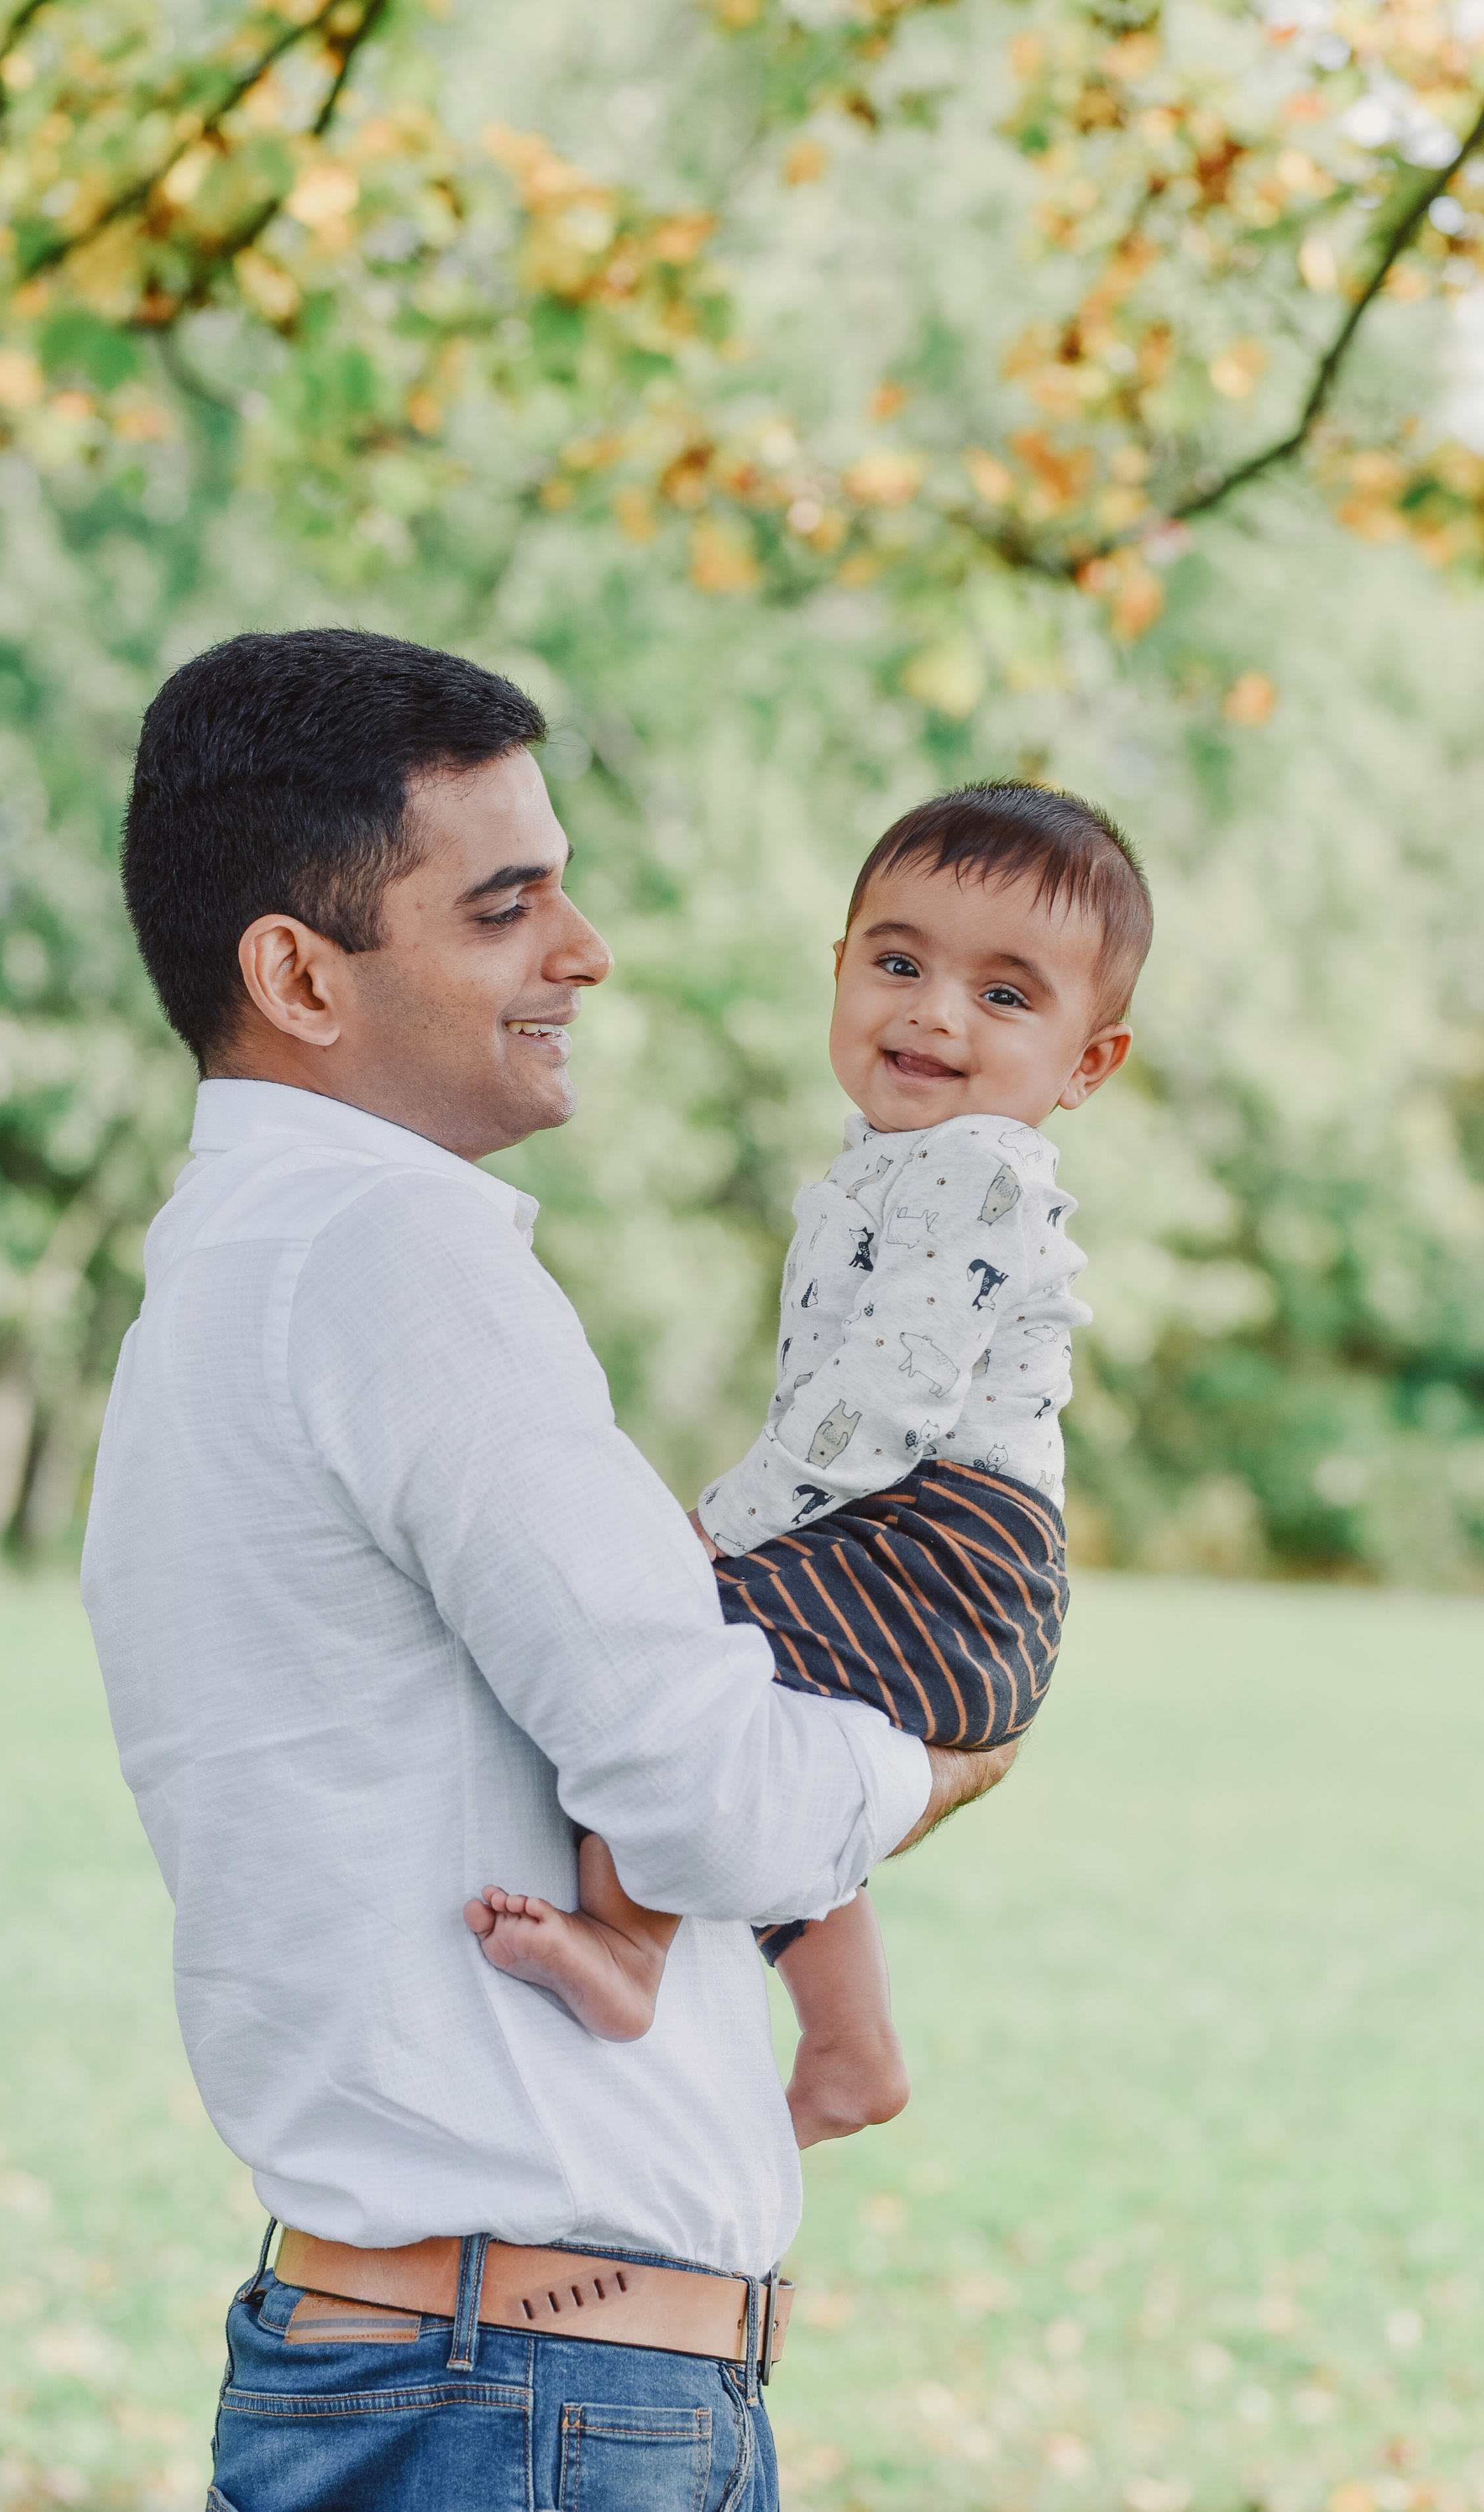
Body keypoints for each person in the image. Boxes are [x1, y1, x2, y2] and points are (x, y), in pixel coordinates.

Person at [83, 627, 1016, 2512]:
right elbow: (713, 1806)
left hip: (466, 2386)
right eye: (508, 907)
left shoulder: (242, 1266)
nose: (584, 951)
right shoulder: (390, 1263)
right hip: (522, 2406)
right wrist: (947, 1757)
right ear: (297, 975)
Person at [466, 786, 1151, 2146]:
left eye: (1003, 998)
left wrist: (714, 1535)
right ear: (837, 973)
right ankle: (849, 2046)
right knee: (760, 1720)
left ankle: (629, 1941)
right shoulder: (892, 1163)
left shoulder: (978, 1177)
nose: (933, 1014)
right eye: (896, 964)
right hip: (910, 1537)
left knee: (660, 1647)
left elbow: (885, 1407)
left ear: (1087, 1062)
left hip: (947, 1550)